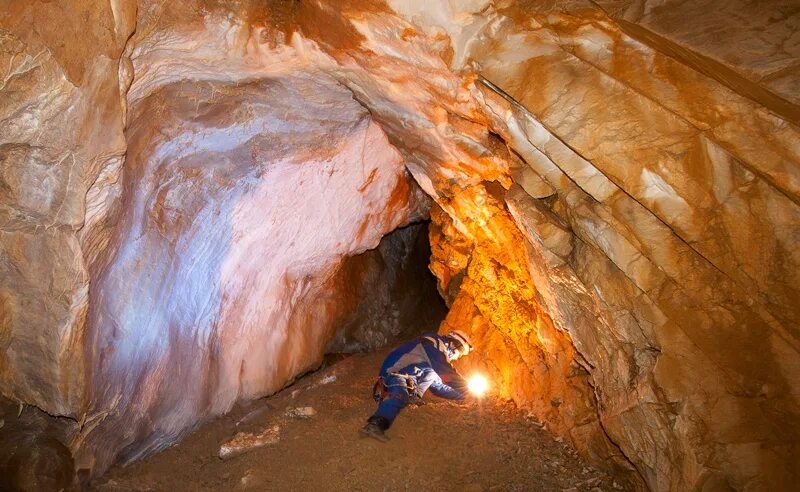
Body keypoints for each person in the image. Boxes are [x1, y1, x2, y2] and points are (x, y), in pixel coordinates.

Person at [359, 330, 474, 442]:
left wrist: (464, 395)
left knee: (432, 373)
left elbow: (438, 387)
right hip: (394, 372)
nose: (458, 357)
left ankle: (413, 396)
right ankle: (374, 425)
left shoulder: (436, 357)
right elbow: (444, 371)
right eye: (460, 353)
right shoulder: (432, 342)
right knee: (400, 393)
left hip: (408, 380)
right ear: (453, 344)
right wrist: (465, 387)